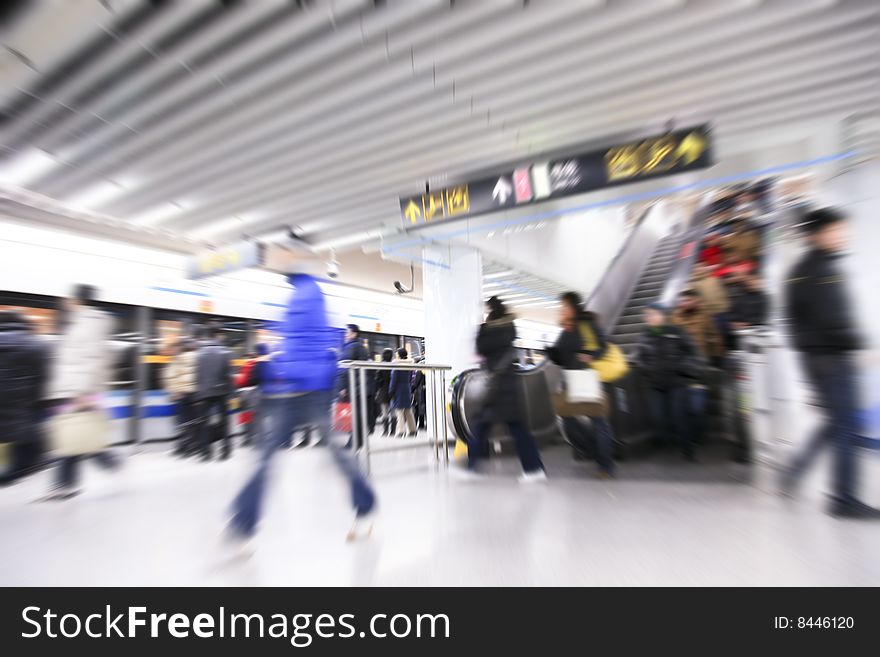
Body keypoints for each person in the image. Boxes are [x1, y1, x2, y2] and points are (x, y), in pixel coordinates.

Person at [229, 274, 376, 542]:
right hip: (293, 387)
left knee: (306, 452)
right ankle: (243, 520)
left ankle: (365, 502)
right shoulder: (298, 292)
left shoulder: (309, 292)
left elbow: (305, 342)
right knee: (271, 455)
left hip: (310, 388)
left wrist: (280, 363)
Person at [780, 207, 878, 518]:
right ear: (818, 234)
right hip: (830, 358)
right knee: (845, 425)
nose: (842, 235)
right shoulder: (820, 270)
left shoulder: (804, 268)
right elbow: (831, 319)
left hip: (819, 358)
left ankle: (795, 470)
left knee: (837, 422)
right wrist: (859, 345)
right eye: (837, 230)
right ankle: (843, 499)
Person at [44, 284, 118, 499]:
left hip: (78, 391)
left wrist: (82, 393)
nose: (65, 302)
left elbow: (92, 359)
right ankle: (72, 480)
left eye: (69, 298)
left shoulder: (88, 324)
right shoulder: (82, 322)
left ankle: (66, 482)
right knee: (74, 436)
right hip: (75, 389)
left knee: (70, 437)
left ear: (77, 300)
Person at [458, 297, 544, 481]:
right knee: (515, 429)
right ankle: (534, 468)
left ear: (491, 314)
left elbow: (480, 347)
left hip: (496, 388)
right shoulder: (509, 329)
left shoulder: (490, 331)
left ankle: (471, 468)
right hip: (507, 385)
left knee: (483, 427)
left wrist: (482, 329)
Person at [546, 292, 616, 478]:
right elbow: (562, 357)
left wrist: (591, 355)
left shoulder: (586, 324)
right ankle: (593, 449)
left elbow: (604, 346)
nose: (562, 310)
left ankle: (606, 466)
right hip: (569, 378)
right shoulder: (566, 329)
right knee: (566, 417)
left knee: (599, 421)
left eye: (564, 306)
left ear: (573, 307)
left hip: (587, 376)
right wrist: (551, 352)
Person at [635, 302, 701, 461]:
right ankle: (669, 442)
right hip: (655, 384)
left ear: (661, 315)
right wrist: (647, 369)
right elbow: (638, 357)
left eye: (650, 314)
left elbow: (692, 352)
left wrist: (683, 367)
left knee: (679, 417)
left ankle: (687, 449)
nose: (647, 318)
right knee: (658, 417)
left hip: (676, 382)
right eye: (646, 315)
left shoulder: (676, 332)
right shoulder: (645, 335)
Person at [0, 311, 48, 485]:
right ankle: (15, 473)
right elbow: (43, 378)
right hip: (24, 406)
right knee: (23, 448)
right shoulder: (35, 344)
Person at [193, 326, 233, 461]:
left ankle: (205, 453)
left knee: (204, 423)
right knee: (224, 422)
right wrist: (232, 393)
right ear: (217, 335)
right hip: (222, 392)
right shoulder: (225, 352)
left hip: (204, 392)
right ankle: (225, 451)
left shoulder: (199, 353)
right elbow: (229, 374)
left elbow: (197, 375)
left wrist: (198, 393)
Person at [335, 324, 372, 447]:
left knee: (354, 414)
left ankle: (354, 441)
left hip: (352, 385)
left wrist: (342, 386)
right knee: (357, 414)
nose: (346, 335)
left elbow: (345, 368)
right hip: (359, 385)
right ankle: (358, 440)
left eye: (348, 332)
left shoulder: (351, 347)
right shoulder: (360, 346)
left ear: (354, 333)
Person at [163, 338, 197, 456]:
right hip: (195, 395)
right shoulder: (199, 357)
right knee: (193, 421)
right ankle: (192, 447)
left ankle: (182, 448)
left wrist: (173, 392)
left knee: (182, 422)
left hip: (181, 394)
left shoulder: (178, 358)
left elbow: (170, 376)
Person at [672, 289, 724, 366]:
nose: (684, 303)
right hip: (686, 360)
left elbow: (713, 335)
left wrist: (718, 356)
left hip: (704, 358)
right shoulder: (675, 317)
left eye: (688, 300)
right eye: (682, 301)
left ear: (696, 301)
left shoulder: (705, 314)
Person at [389, 347, 417, 437]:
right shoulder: (409, 365)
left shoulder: (397, 365)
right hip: (407, 388)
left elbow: (394, 380)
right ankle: (413, 430)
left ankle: (401, 431)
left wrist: (391, 391)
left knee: (399, 412)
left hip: (398, 390)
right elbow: (410, 379)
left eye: (397, 353)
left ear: (399, 355)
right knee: (408, 410)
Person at [373, 348, 396, 437]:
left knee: (385, 413)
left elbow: (378, 380)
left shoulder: (381, 366)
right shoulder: (394, 365)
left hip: (383, 391)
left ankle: (385, 431)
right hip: (393, 392)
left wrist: (376, 390)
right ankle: (393, 431)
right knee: (393, 412)